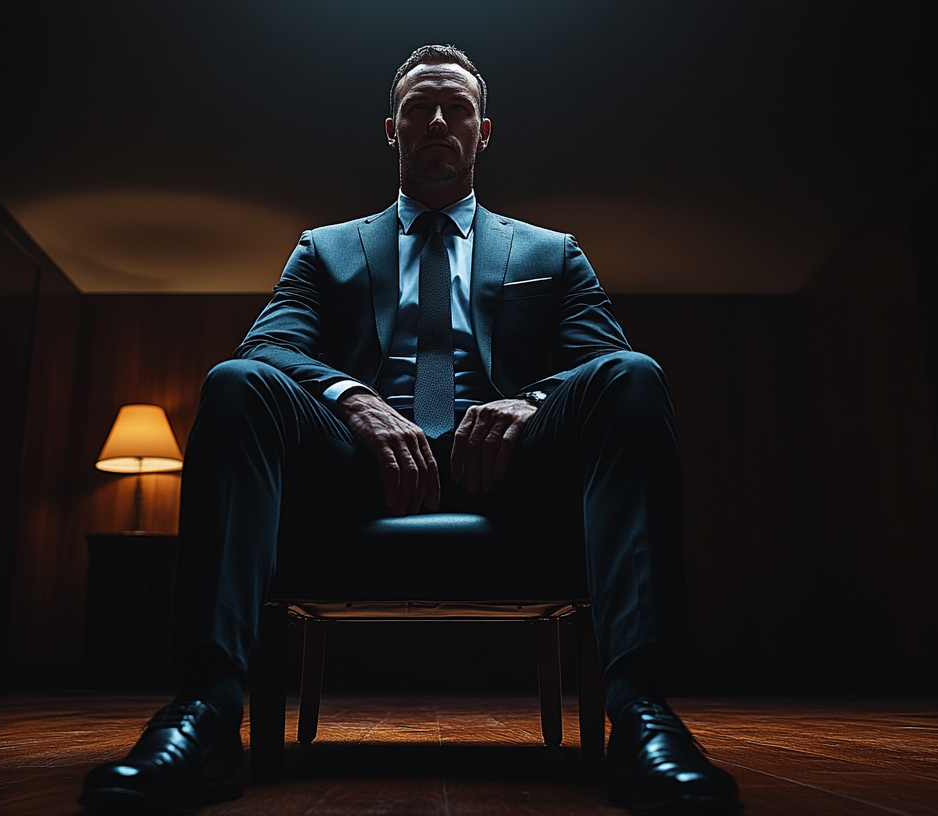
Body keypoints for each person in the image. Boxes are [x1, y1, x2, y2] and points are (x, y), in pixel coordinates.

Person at [79, 44, 741, 816]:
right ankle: (205, 713)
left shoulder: (550, 253)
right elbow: (269, 347)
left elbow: (603, 356)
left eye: (456, 108)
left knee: (634, 376)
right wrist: (352, 397)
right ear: (390, 129)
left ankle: (642, 716)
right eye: (420, 108)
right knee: (236, 384)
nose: (437, 120)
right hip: (358, 470)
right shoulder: (324, 249)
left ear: (483, 131)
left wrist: (529, 401)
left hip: (510, 467)